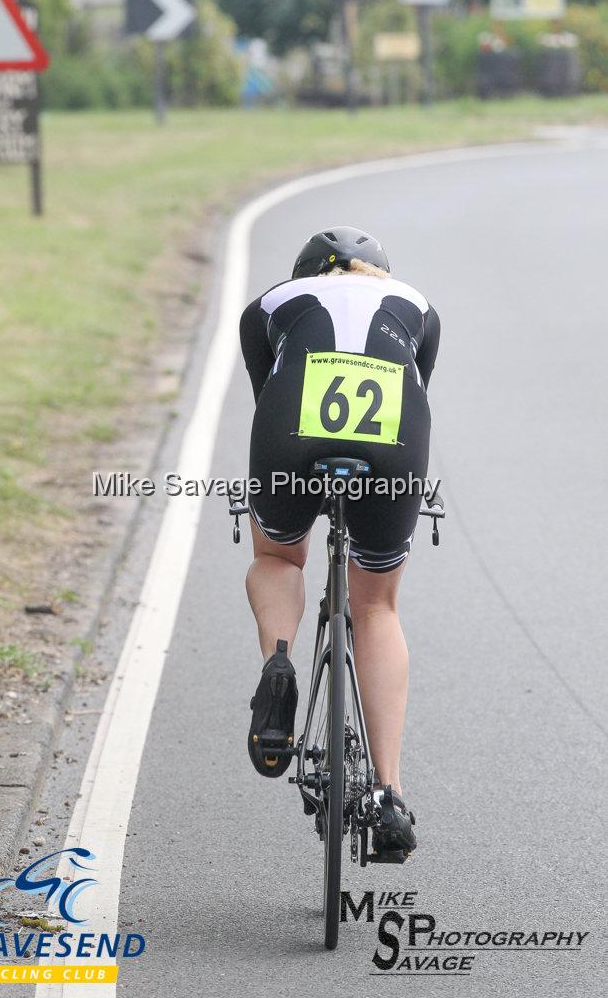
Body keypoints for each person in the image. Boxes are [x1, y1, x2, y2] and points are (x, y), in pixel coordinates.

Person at [239, 226, 440, 856]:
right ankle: (389, 795)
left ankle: (278, 660)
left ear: (307, 271)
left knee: (277, 554)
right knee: (376, 605)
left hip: (291, 431)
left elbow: (264, 391)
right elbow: (417, 388)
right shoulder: (419, 307)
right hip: (392, 443)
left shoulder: (271, 303)